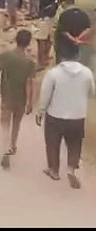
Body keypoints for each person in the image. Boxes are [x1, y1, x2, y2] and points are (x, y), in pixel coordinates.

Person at [37, 23, 95, 189]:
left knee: (53, 143)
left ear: (61, 56)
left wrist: (41, 111)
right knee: (75, 143)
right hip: (78, 116)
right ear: (77, 56)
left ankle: (53, 170)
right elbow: (91, 92)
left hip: (56, 115)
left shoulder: (53, 73)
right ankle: (71, 168)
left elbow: (45, 95)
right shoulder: (86, 73)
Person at [0, 29, 35, 170]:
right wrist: (30, 102)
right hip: (21, 98)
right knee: (16, 123)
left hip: (6, 95)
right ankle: (13, 145)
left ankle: (5, 147)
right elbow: (29, 83)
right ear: (28, 43)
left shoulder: (5, 56)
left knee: (5, 122)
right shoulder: (29, 62)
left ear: (16, 39)